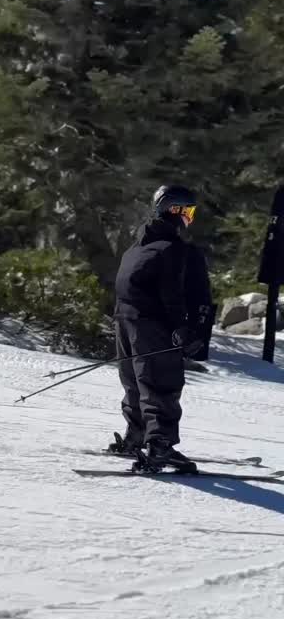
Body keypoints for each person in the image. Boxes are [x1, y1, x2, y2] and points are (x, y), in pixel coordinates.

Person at [108, 185, 204, 471]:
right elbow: (172, 292)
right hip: (154, 325)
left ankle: (136, 435)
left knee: (135, 381)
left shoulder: (136, 247)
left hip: (125, 321)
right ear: (175, 210)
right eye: (189, 211)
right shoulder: (173, 248)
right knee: (159, 381)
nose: (190, 218)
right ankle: (160, 445)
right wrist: (183, 328)